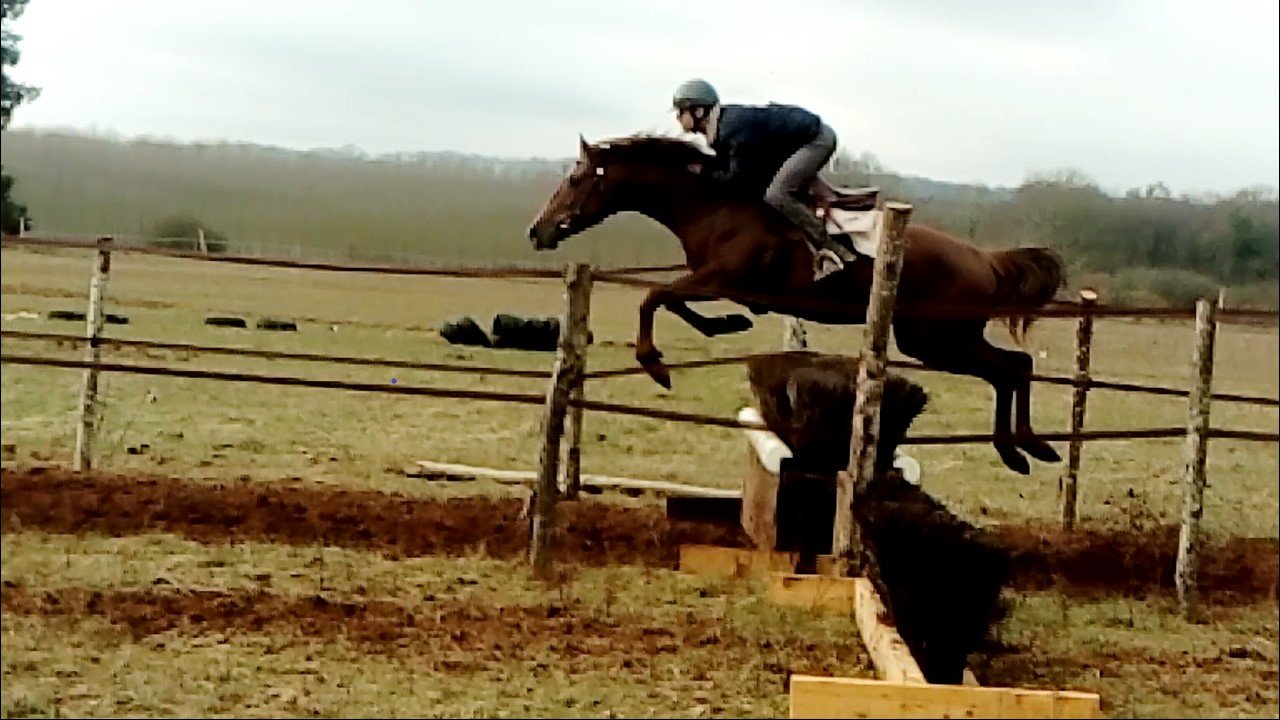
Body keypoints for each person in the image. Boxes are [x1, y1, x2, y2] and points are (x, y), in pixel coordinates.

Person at [672, 78, 858, 280]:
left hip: (816, 140)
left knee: (777, 194)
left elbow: (738, 180)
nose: (678, 117)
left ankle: (832, 247)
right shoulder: (721, 129)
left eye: (681, 111)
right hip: (793, 143)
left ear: (699, 111)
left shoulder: (732, 129)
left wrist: (704, 174)